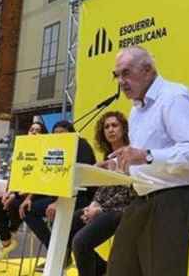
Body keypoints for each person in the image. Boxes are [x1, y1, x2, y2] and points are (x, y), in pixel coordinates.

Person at [104, 46, 189, 276]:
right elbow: (142, 160)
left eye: (126, 73)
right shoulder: (136, 111)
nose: (121, 81)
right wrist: (114, 166)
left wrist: (146, 155)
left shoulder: (174, 97)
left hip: (174, 198)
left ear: (148, 70)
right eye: (117, 75)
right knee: (119, 269)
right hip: (142, 198)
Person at [20, 119, 97, 268]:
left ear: (72, 133)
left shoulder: (81, 145)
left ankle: (61, 254)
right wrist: (30, 197)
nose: (59, 137)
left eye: (62, 134)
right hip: (58, 197)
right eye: (55, 134)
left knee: (65, 222)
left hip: (81, 198)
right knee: (28, 210)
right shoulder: (54, 148)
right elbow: (46, 176)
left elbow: (80, 178)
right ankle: (55, 251)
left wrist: (58, 202)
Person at [71, 111, 135, 276]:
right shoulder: (107, 157)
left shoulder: (131, 154)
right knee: (67, 224)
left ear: (124, 129)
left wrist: (100, 209)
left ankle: (101, 270)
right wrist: (93, 204)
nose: (110, 130)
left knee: (80, 242)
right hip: (104, 207)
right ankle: (102, 268)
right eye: (106, 127)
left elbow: (128, 191)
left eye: (115, 125)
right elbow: (104, 188)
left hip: (124, 210)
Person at [0, 121, 47, 260]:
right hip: (18, 192)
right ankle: (7, 239)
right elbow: (14, 175)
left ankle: (10, 233)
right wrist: (8, 192)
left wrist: (16, 195)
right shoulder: (21, 151)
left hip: (36, 194)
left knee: (15, 204)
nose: (33, 132)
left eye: (37, 130)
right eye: (31, 129)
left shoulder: (45, 152)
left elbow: (41, 180)